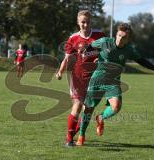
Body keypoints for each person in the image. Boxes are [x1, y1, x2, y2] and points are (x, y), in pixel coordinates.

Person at [76, 23, 154, 146]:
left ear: (128, 39)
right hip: (97, 80)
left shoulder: (129, 50)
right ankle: (82, 135)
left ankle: (100, 118)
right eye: (119, 35)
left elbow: (142, 61)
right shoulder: (105, 41)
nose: (120, 39)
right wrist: (88, 56)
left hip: (113, 81)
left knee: (116, 107)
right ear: (116, 34)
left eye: (124, 37)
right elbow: (89, 48)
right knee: (88, 108)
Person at [55, 10, 105, 146]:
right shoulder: (73, 39)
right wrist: (60, 72)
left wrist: (99, 60)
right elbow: (67, 58)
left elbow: (107, 54)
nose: (85, 24)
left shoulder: (100, 36)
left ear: (91, 22)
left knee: (88, 109)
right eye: (83, 22)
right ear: (78, 22)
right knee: (77, 106)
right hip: (78, 76)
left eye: (88, 22)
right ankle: (69, 139)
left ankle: (74, 134)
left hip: (95, 77)